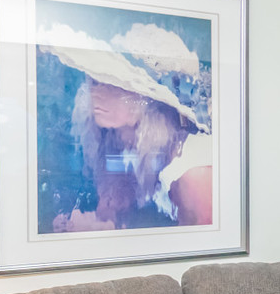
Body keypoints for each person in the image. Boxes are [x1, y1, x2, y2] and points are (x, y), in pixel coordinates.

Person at [38, 21, 213, 232]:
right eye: (94, 81)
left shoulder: (192, 172)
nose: (96, 92)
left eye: (110, 83)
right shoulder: (118, 145)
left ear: (145, 97)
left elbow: (203, 253)